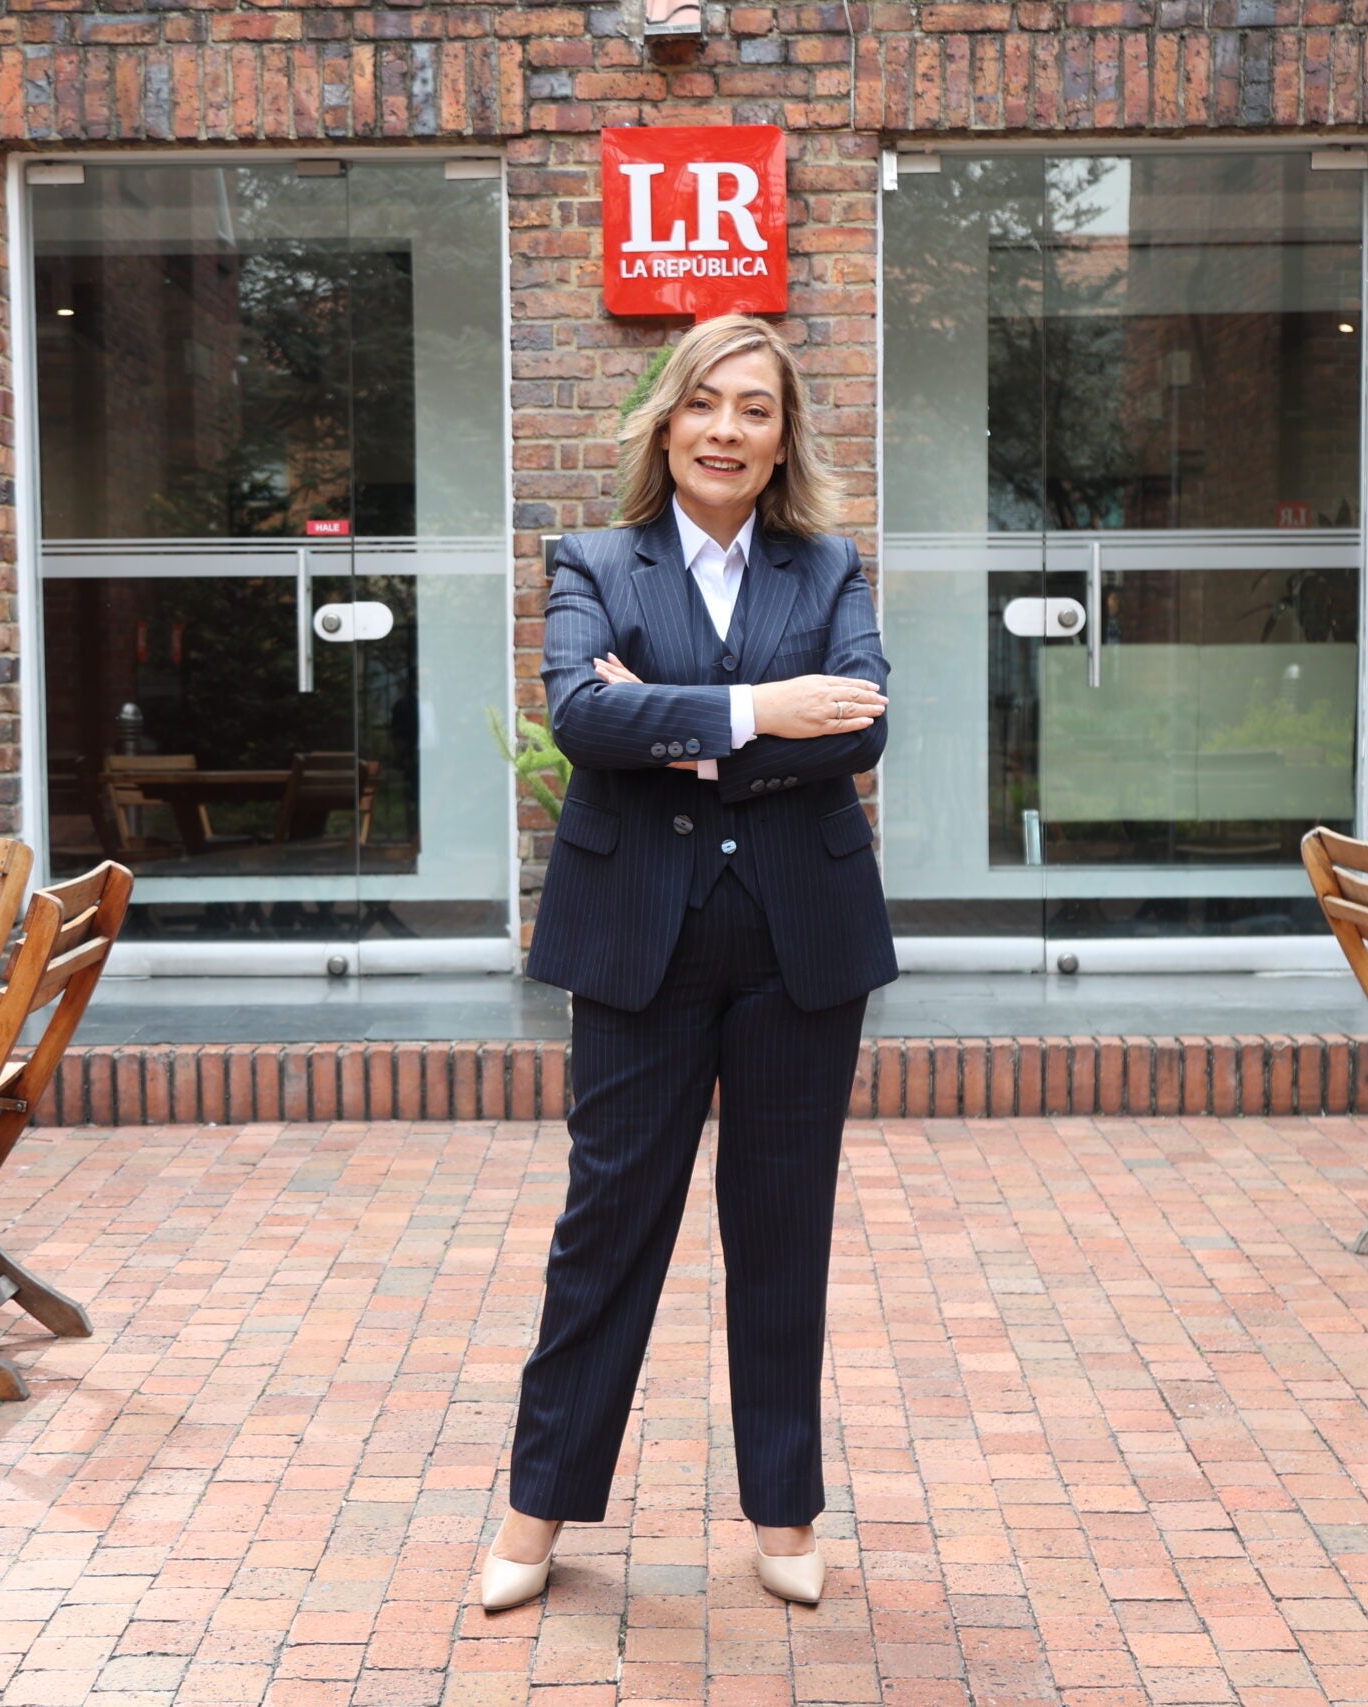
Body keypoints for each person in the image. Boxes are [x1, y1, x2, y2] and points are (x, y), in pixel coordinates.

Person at [481, 314, 897, 1611]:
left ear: (782, 439)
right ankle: (537, 1511)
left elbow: (860, 729)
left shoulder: (830, 569)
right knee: (606, 1228)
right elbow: (581, 717)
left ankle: (784, 1511)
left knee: (781, 1230)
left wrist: (671, 728)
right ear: (666, 423)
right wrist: (764, 711)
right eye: (706, 403)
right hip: (636, 940)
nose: (727, 429)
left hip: (798, 940)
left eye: (755, 409)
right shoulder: (595, 560)